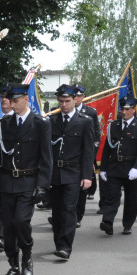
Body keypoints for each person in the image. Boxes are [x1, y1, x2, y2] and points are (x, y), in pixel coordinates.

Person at [0, 83, 51, 275]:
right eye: (10, 100)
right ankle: (13, 265)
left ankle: (27, 258)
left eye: (16, 100)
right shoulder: (3, 124)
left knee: (21, 222)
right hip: (6, 182)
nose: (12, 104)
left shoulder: (40, 124)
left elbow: (46, 157)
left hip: (28, 181)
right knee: (8, 227)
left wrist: (42, 185)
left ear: (26, 99)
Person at [47, 85, 94, 259]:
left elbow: (88, 151)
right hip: (55, 173)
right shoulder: (52, 121)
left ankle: (65, 246)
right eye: (61, 101)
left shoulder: (85, 121)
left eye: (67, 101)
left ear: (75, 100)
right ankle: (58, 241)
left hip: (73, 172)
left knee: (69, 210)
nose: (64, 105)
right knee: (57, 212)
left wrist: (87, 176)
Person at [98, 96, 137, 236]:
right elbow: (107, 149)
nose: (124, 112)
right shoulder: (113, 126)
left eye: (127, 109)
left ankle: (128, 224)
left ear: (134, 110)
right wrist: (103, 168)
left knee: (131, 199)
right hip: (115, 166)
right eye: (122, 109)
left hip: (131, 167)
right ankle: (107, 222)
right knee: (112, 196)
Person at [73, 85, 100, 227]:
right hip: (68, 157)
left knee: (81, 188)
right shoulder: (60, 112)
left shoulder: (90, 112)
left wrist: (90, 155)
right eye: (74, 95)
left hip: (84, 156)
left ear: (83, 97)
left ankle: (78, 216)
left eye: (79, 96)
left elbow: (96, 135)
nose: (76, 98)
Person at [0, 92, 14, 250]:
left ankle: (11, 233)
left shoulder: (22, 120)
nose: (4, 99)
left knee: (13, 206)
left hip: (16, 171)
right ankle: (2, 235)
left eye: (8, 97)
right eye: (2, 96)